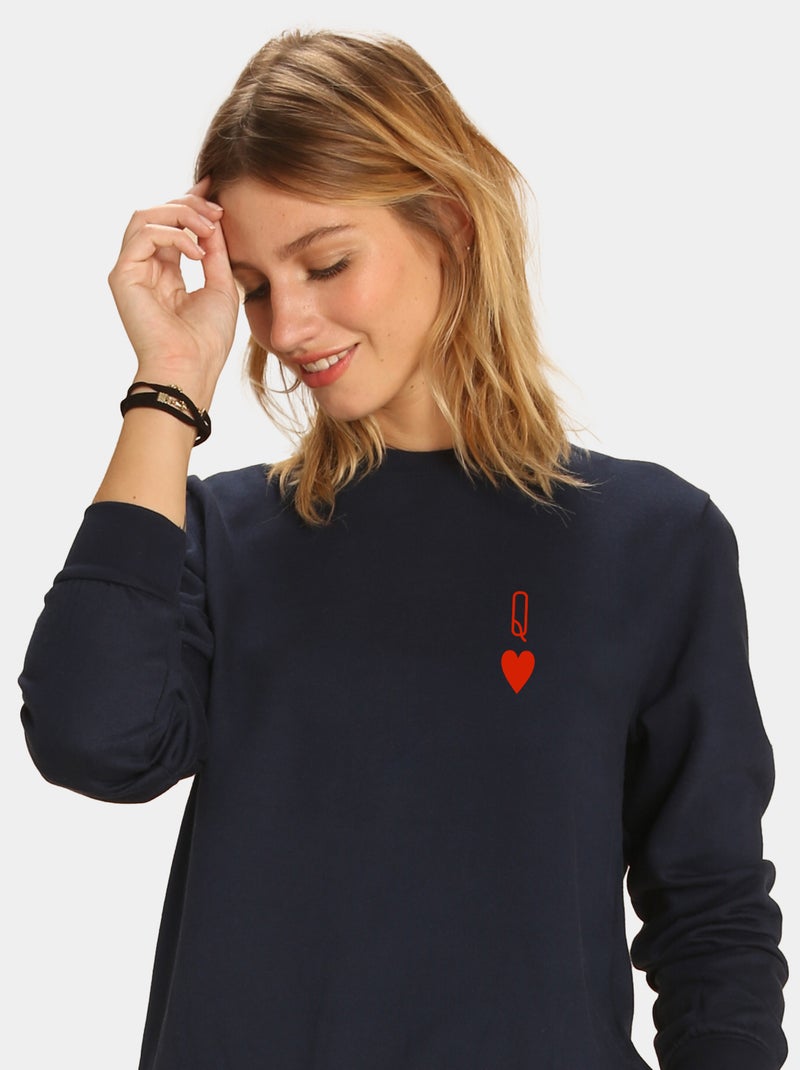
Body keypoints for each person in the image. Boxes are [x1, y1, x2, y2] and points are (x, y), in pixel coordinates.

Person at [19, 28, 788, 1070]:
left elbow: (710, 913)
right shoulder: (219, 538)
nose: (287, 325)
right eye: (254, 286)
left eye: (326, 262)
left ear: (450, 225)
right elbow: (89, 739)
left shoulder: (652, 540)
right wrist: (168, 382)